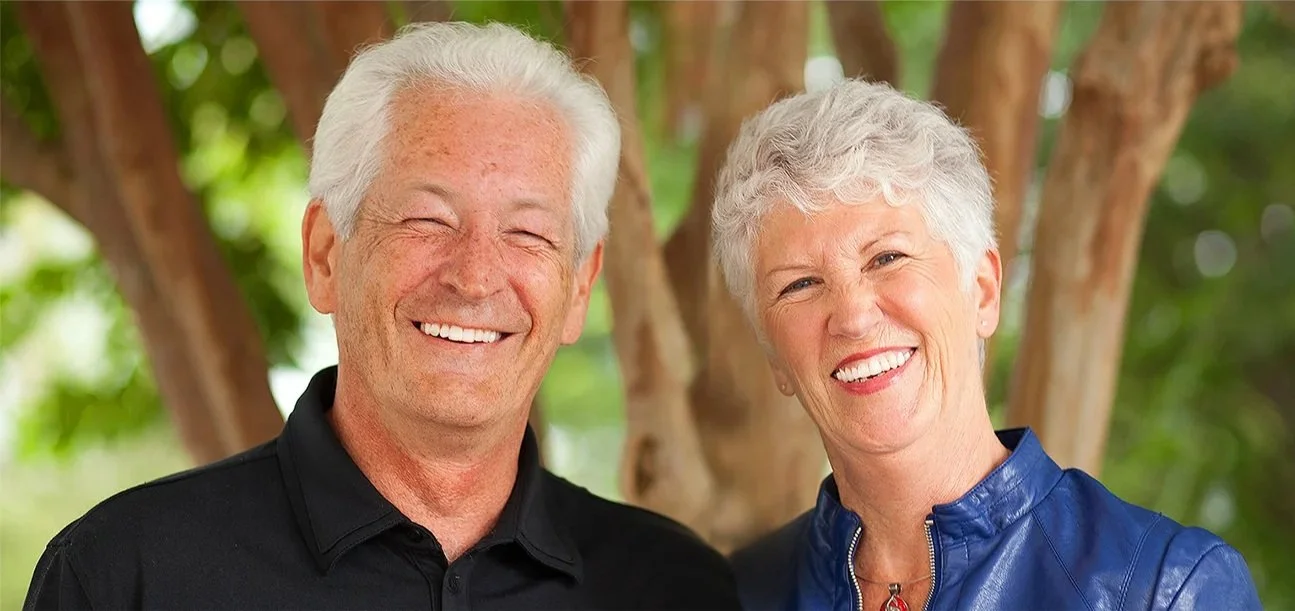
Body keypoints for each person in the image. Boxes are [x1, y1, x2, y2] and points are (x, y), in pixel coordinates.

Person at [24, 22, 740, 611]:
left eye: (528, 232)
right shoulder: (125, 575)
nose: (475, 274)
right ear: (326, 254)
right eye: (428, 218)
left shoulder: (675, 588)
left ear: (579, 287)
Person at [712, 79, 1261, 611]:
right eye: (800, 284)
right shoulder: (733, 594)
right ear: (774, 356)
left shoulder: (1164, 590)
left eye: (887, 258)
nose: (853, 316)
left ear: (983, 290)